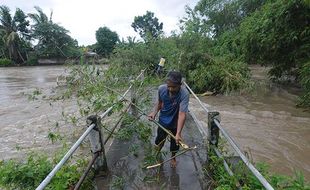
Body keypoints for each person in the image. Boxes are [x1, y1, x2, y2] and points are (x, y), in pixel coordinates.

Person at [148, 71, 189, 168]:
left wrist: (178, 133)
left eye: (173, 87)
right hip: (163, 120)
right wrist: (154, 113)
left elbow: (182, 113)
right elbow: (159, 102)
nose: (170, 89)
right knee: (159, 140)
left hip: (175, 122)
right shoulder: (161, 89)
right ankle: (158, 153)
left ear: (180, 85)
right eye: (168, 86)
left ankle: (173, 157)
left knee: (175, 142)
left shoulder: (184, 94)